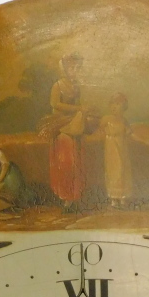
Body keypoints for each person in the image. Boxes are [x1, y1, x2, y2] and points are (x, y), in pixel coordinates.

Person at [38, 53, 95, 208]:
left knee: (77, 160)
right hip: (61, 127)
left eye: (78, 68)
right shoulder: (58, 85)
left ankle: (76, 196)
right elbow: (55, 104)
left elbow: (79, 105)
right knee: (66, 161)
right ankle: (66, 199)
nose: (76, 71)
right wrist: (78, 109)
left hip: (73, 125)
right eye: (73, 68)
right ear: (65, 69)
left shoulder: (76, 86)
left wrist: (85, 110)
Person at [98, 93, 149, 208]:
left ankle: (122, 197)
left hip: (122, 148)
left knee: (123, 170)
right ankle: (113, 199)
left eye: (117, 104)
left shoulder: (123, 120)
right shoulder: (106, 119)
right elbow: (98, 131)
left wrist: (144, 140)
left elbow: (131, 134)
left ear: (123, 107)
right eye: (112, 104)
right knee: (113, 170)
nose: (114, 107)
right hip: (111, 148)